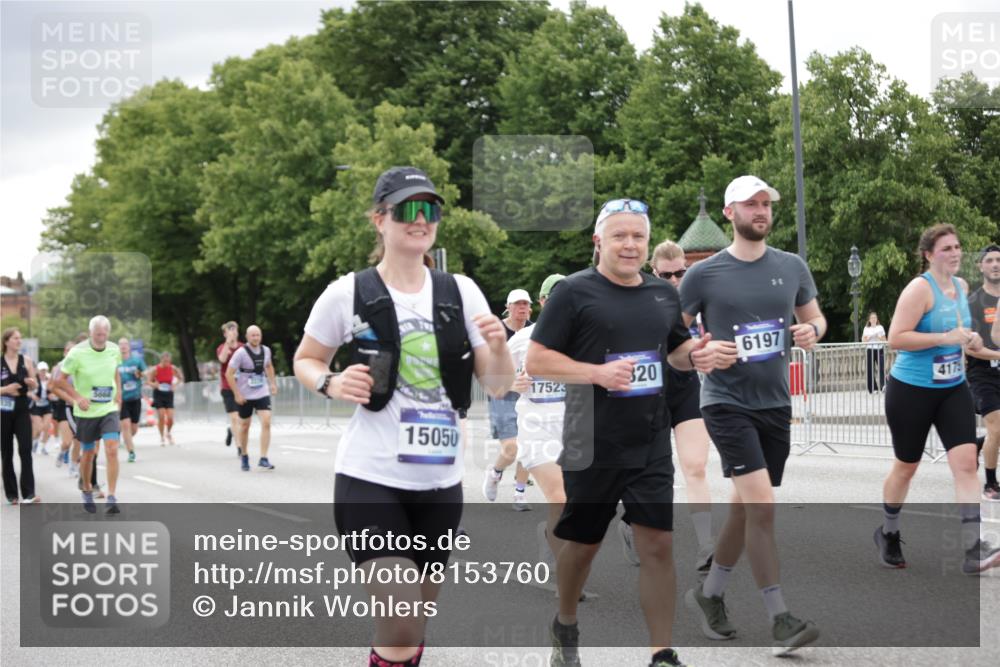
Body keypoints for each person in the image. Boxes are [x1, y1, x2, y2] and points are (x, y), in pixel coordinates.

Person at [293, 166, 514, 667]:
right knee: (400, 620)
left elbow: (498, 385)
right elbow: (305, 359)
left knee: (413, 623)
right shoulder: (348, 292)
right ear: (380, 220)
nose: (421, 220)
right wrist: (328, 381)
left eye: (430, 209)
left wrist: (499, 347)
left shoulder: (460, 291)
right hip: (371, 477)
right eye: (407, 210)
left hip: (441, 483)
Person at [526, 198, 717, 667]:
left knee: (658, 543)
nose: (630, 244)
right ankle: (565, 622)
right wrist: (597, 373)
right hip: (591, 440)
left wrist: (696, 353)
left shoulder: (661, 294)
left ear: (647, 243)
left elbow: (672, 352)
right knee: (584, 545)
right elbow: (536, 360)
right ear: (599, 241)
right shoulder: (574, 292)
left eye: (638, 236)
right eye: (620, 235)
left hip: (648, 437)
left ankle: (662, 653)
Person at [679, 175, 825, 655]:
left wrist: (812, 332)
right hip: (725, 402)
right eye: (751, 204)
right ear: (730, 213)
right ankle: (780, 618)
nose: (761, 211)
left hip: (775, 403)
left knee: (745, 508)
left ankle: (709, 595)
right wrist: (699, 352)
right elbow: (672, 345)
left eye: (766, 204)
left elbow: (815, 317)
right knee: (762, 506)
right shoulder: (704, 274)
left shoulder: (791, 265)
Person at [876, 225, 1000, 574]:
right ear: (929, 255)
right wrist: (945, 335)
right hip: (911, 390)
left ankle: (973, 547)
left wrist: (970, 340)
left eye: (958, 246)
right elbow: (896, 339)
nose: (955, 253)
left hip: (952, 388)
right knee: (906, 467)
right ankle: (888, 531)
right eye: (946, 248)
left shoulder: (960, 287)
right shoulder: (919, 289)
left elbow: (958, 333)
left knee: (964, 464)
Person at [619, 240, 715, 573]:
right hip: (646, 393)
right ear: (653, 271)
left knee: (696, 466)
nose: (675, 280)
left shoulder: (695, 297)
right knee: (645, 475)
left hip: (684, 386)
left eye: (681, 273)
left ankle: (706, 546)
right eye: (668, 274)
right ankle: (630, 522)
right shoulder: (642, 296)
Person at [507, 274, 570, 567]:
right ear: (543, 302)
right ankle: (565, 575)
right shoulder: (521, 341)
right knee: (559, 498)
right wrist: (513, 382)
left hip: (575, 430)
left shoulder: (585, 337)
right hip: (537, 429)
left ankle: (549, 534)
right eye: (554, 298)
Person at [51, 316, 123, 513]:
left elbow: (115, 372)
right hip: (86, 412)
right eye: (98, 334)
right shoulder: (77, 352)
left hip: (108, 408)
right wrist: (77, 398)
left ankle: (111, 496)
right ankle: (86, 488)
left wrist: (119, 395)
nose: (101, 337)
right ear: (91, 333)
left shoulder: (114, 350)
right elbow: (59, 381)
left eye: (104, 334)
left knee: (112, 449)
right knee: (89, 453)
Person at [482, 288, 534, 510]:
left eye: (525, 304)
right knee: (512, 448)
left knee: (528, 445)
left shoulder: (535, 332)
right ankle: (494, 473)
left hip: (529, 395)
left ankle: (519, 493)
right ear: (508, 307)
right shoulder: (497, 333)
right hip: (502, 393)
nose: (522, 308)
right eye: (517, 304)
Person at [966, 244, 1000, 501]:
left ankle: (979, 444)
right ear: (981, 266)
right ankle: (990, 484)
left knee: (995, 432)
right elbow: (971, 349)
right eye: (990, 260)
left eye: (999, 260)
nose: (996, 264)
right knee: (996, 427)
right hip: (983, 374)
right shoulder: (973, 303)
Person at [225, 325, 277, 472]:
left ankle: (264, 458)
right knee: (244, 426)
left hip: (261, 391)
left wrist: (272, 383)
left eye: (258, 335)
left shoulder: (266, 350)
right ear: (247, 337)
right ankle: (245, 455)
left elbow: (269, 366)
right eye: (252, 335)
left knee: (266, 421)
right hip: (245, 394)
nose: (255, 338)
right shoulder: (240, 353)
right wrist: (237, 394)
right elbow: (229, 374)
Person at [2, 328, 40, 504]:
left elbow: (35, 386)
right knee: (6, 452)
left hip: (22, 407)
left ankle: (29, 493)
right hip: (3, 409)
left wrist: (32, 384)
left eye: (20, 338)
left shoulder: (27, 361)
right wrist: (5, 390)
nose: (19, 341)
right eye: (15, 338)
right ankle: (11, 494)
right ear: (6, 341)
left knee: (25, 449)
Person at [117, 338, 147, 463]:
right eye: (121, 345)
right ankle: (131, 452)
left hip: (135, 397)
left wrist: (139, 374)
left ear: (129, 347)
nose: (123, 347)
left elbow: (146, 373)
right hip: (122, 399)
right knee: (125, 425)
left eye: (125, 344)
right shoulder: (115, 362)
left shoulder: (136, 360)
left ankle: (126, 438)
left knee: (133, 428)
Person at [216, 321, 244, 448]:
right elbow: (222, 359)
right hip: (227, 387)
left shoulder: (243, 347)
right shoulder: (222, 348)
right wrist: (228, 342)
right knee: (234, 418)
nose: (233, 333)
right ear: (225, 334)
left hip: (242, 387)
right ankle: (239, 447)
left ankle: (231, 431)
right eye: (230, 330)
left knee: (241, 419)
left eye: (235, 330)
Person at [148, 351, 183, 445]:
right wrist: (154, 384)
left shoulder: (172, 368)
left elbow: (180, 378)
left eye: (168, 361)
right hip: (158, 394)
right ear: (161, 360)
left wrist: (175, 385)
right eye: (164, 361)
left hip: (169, 394)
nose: (166, 363)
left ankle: (168, 433)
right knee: (161, 415)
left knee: (171, 417)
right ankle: (162, 436)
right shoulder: (155, 369)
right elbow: (149, 381)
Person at [29, 361, 53, 456]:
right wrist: (32, 395)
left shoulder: (49, 379)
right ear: (38, 371)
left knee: (46, 427)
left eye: (44, 370)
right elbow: (26, 391)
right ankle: (34, 443)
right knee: (39, 429)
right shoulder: (33, 380)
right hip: (36, 406)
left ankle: (43, 447)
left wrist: (52, 394)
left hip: (47, 405)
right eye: (41, 370)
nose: (43, 372)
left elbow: (55, 389)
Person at [862, 312, 887, 392]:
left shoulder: (880, 327)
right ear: (869, 320)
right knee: (870, 369)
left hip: (879, 349)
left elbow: (884, 340)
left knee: (881, 367)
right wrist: (869, 337)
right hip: (870, 349)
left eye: (875, 318)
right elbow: (863, 341)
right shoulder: (866, 328)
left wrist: (878, 337)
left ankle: (883, 385)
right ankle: (873, 388)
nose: (873, 319)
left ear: (877, 319)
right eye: (872, 318)